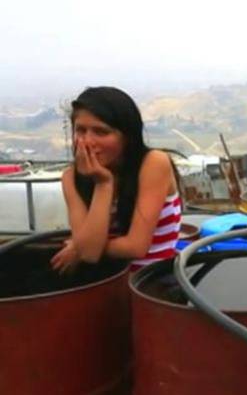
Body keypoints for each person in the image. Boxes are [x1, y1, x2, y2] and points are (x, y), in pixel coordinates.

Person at [51, 87, 181, 273]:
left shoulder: (153, 163)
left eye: (101, 132)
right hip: (106, 283)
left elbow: (136, 246)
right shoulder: (71, 178)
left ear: (127, 136)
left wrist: (79, 246)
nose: (87, 141)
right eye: (80, 130)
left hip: (151, 285)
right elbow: (88, 253)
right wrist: (102, 184)